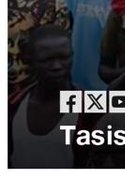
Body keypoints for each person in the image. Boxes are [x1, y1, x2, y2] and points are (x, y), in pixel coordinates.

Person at [8, 25, 87, 169]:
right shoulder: (13, 106)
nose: (57, 66)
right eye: (47, 60)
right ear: (30, 61)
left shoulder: (87, 107)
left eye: (63, 58)